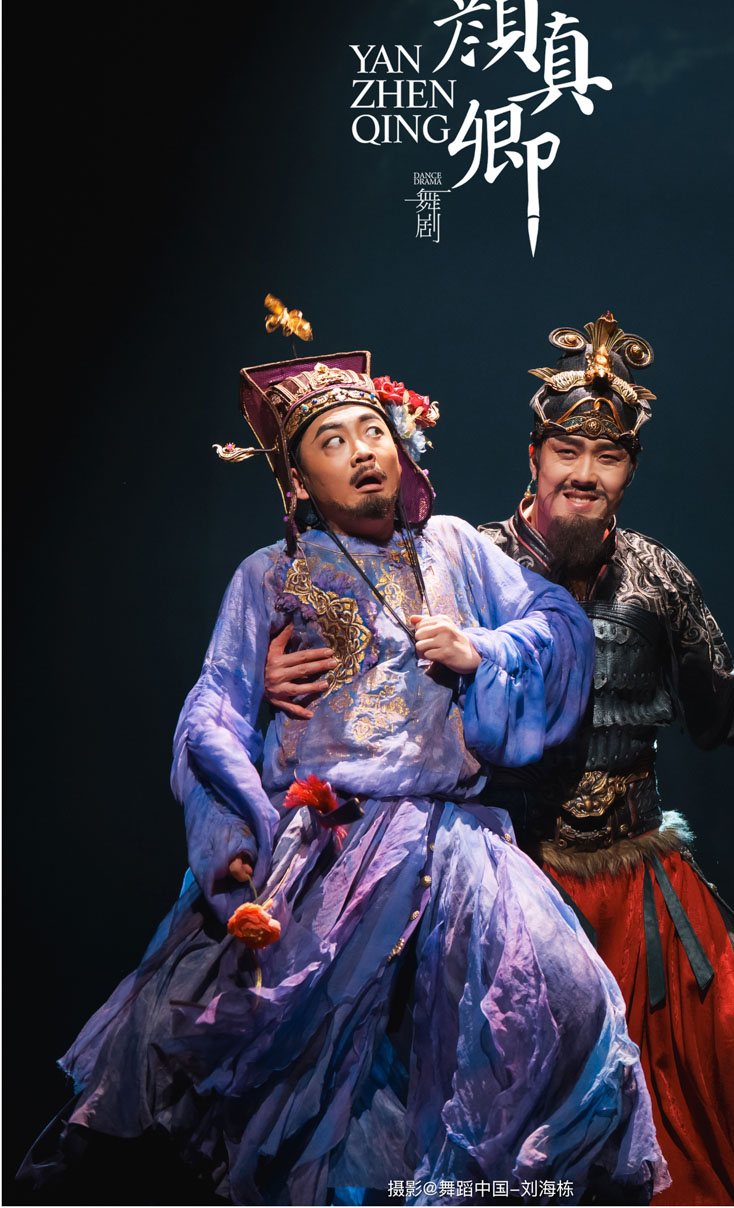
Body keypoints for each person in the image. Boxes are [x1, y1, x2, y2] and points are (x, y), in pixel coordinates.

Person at [20, 306, 669, 1206]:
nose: (363, 451)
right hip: (324, 843)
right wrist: (231, 821)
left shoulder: (452, 547)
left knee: (562, 1002)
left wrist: (482, 650)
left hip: (453, 842)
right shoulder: (268, 573)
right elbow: (212, 707)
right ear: (296, 478)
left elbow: (557, 624)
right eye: (333, 442)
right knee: (296, 1075)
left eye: (373, 431)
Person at [266, 311, 734, 1207]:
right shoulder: (462, 562)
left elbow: (725, 692)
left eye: (609, 457)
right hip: (504, 889)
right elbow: (370, 680)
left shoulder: (657, 578)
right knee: (499, 1136)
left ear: (630, 471)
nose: (585, 473)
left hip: (641, 893)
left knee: (692, 1133)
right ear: (533, 456)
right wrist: (276, 678)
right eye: (567, 450)